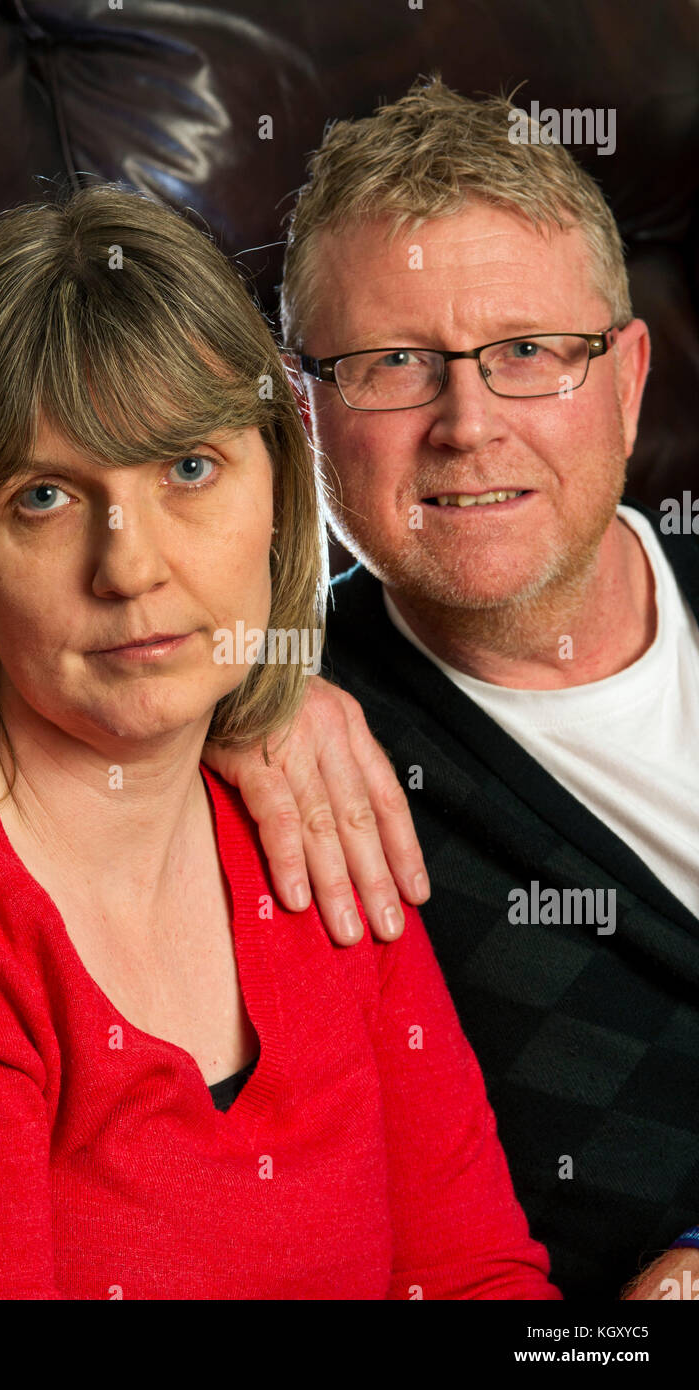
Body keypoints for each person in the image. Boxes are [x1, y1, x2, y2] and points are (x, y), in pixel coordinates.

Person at [0, 183, 560, 1300]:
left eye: (187, 470)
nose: (128, 567)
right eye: (44, 497)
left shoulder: (315, 818)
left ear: (281, 485)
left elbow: (476, 1284)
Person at [265, 77, 699, 1301]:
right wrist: (231, 675)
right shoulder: (283, 727)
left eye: (526, 353)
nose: (467, 422)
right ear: (306, 412)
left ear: (625, 378)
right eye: (393, 362)